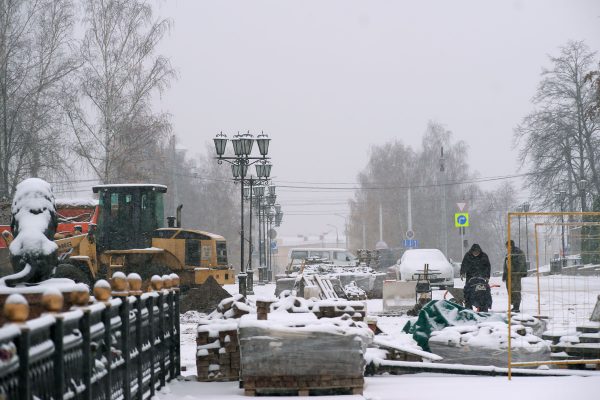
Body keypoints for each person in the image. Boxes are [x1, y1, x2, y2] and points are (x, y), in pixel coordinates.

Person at [460, 244, 491, 310]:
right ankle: (468, 306)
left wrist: (487, 276)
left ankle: (483, 306)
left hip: (481, 278)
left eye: (477, 252)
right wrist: (462, 272)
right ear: (472, 251)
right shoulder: (468, 256)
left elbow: (488, 267)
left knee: (482, 293)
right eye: (474, 252)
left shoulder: (484, 256)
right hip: (470, 278)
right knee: (468, 292)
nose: (476, 253)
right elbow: (464, 264)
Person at [502, 240, 527, 313]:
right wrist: (505, 274)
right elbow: (506, 264)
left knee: (515, 290)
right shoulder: (508, 253)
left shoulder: (518, 252)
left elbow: (521, 263)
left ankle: (516, 306)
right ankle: (514, 305)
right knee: (510, 290)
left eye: (507, 246)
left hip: (515, 275)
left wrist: (516, 271)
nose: (506, 248)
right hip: (509, 275)